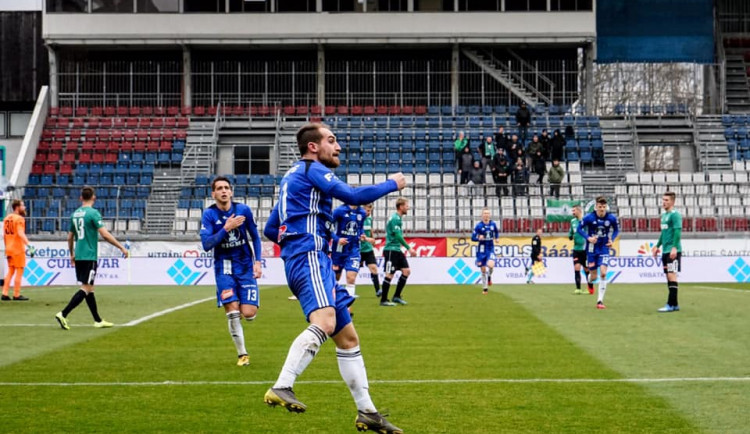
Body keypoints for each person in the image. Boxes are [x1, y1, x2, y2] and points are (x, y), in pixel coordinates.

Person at [262, 123, 404, 433]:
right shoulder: (311, 169)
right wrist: (392, 183)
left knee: (347, 337)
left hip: (313, 258)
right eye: (331, 140)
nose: (337, 146)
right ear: (313, 147)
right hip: (310, 257)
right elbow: (352, 195)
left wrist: (295, 239)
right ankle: (283, 384)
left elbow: (271, 229)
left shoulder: (291, 179)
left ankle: (368, 412)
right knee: (325, 323)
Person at [200, 176, 263, 367]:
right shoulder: (209, 215)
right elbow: (206, 244)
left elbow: (256, 238)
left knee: (249, 314)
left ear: (231, 192)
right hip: (224, 267)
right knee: (232, 311)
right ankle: (242, 355)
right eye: (219, 188)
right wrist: (226, 228)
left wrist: (258, 262)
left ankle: (241, 307)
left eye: (226, 187)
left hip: (244, 265)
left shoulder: (243, 210)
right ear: (214, 194)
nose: (223, 191)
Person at [55, 186, 129, 330]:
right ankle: (63, 314)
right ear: (93, 197)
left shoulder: (75, 214)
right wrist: (121, 247)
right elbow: (105, 235)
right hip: (89, 256)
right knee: (86, 288)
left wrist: (71, 254)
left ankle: (98, 320)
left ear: (81, 198)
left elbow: (70, 237)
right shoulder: (93, 213)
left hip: (79, 255)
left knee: (90, 288)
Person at [577, 196, 619, 309]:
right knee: (594, 277)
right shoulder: (589, 217)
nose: (602, 209)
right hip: (591, 249)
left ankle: (600, 301)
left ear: (606, 207)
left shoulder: (611, 218)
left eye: (603, 207)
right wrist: (588, 238)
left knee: (604, 273)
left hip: (604, 247)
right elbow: (579, 229)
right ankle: (589, 279)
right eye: (600, 207)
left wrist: (612, 239)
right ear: (596, 207)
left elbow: (616, 229)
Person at [379, 197, 417, 307]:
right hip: (391, 250)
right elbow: (397, 235)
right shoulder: (395, 218)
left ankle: (396, 296)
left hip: (396, 250)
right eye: (406, 205)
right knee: (389, 274)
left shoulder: (398, 218)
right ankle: (383, 300)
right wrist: (409, 248)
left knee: (406, 271)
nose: (408, 208)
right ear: (401, 207)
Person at [651, 192, 682, 313]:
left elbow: (677, 232)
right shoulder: (663, 216)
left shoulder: (675, 215)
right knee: (668, 277)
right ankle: (675, 304)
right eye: (663, 200)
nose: (664, 202)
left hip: (673, 251)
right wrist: (657, 246)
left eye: (667, 200)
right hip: (665, 251)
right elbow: (663, 233)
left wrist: (674, 247)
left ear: (672, 202)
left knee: (671, 275)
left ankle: (670, 304)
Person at [332, 203, 367, 299]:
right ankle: (333, 302)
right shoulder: (339, 211)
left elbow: (360, 228)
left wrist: (362, 235)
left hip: (354, 249)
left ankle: (348, 309)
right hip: (338, 250)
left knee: (351, 278)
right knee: (335, 278)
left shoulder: (362, 212)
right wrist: (337, 239)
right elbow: (328, 228)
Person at [2, 200, 30, 301]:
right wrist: (29, 245)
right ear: (17, 207)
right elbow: (20, 233)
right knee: (19, 270)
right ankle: (16, 294)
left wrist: (6, 247)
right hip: (17, 249)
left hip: (9, 248)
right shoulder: (19, 219)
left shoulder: (6, 218)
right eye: (23, 206)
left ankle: (4, 293)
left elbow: (4, 235)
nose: (24, 207)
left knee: (10, 271)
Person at [471, 209, 499, 294]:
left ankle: (489, 276)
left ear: (489, 215)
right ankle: (485, 288)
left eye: (488, 213)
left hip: (490, 248)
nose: (486, 215)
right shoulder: (478, 226)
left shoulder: (493, 224)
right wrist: (478, 238)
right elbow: (473, 237)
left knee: (491, 265)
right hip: (481, 249)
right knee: (483, 269)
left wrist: (497, 238)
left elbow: (496, 232)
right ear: (482, 215)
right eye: (485, 213)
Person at [359, 204, 381, 297]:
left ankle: (378, 290)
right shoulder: (358, 220)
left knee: (374, 268)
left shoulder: (369, 219)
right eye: (368, 211)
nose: (369, 213)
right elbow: (358, 235)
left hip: (368, 249)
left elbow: (370, 230)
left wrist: (373, 238)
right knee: (354, 272)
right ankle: (351, 291)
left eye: (370, 211)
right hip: (358, 249)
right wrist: (368, 239)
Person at [568, 205, 590, 294]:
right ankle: (578, 288)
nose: (572, 212)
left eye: (574, 210)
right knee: (576, 268)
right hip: (576, 249)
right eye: (572, 211)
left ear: (579, 211)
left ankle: (590, 288)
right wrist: (570, 236)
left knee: (586, 269)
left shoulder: (585, 220)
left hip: (585, 249)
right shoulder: (572, 221)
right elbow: (571, 233)